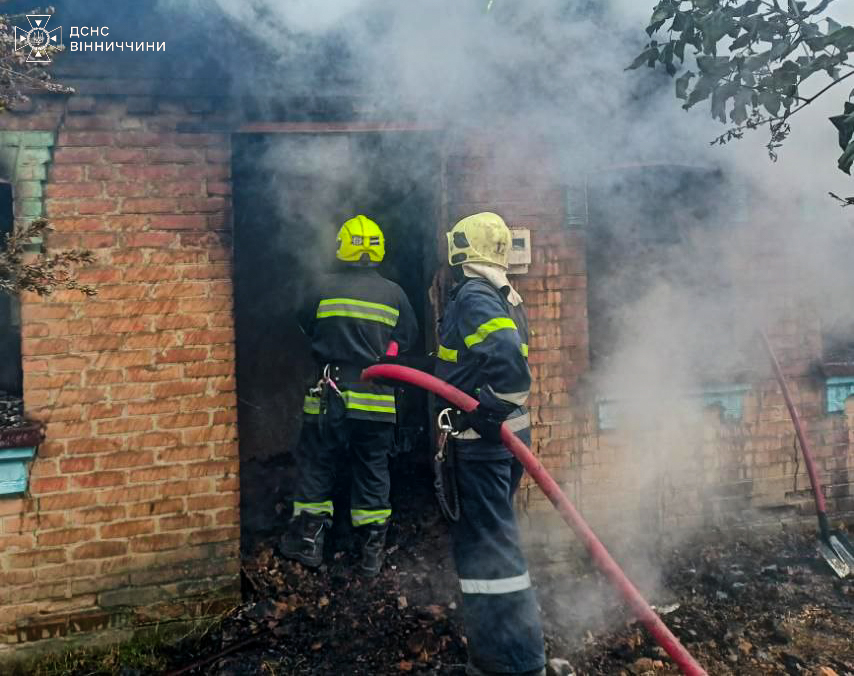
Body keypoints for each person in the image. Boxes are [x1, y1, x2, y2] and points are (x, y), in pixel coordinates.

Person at [435, 212, 546, 676]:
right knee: (489, 546)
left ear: (462, 247)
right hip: (504, 440)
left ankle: (513, 663)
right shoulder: (502, 293)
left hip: (484, 444)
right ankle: (494, 657)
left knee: (491, 551)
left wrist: (484, 414)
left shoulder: (475, 295)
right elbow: (476, 357)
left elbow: (507, 364)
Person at [281, 215, 418, 577]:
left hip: (329, 395)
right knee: (373, 469)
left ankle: (310, 544)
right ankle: (371, 553)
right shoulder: (395, 294)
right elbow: (405, 341)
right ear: (379, 250)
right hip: (377, 399)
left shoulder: (320, 287)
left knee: (317, 464)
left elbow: (305, 326)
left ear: (341, 249)